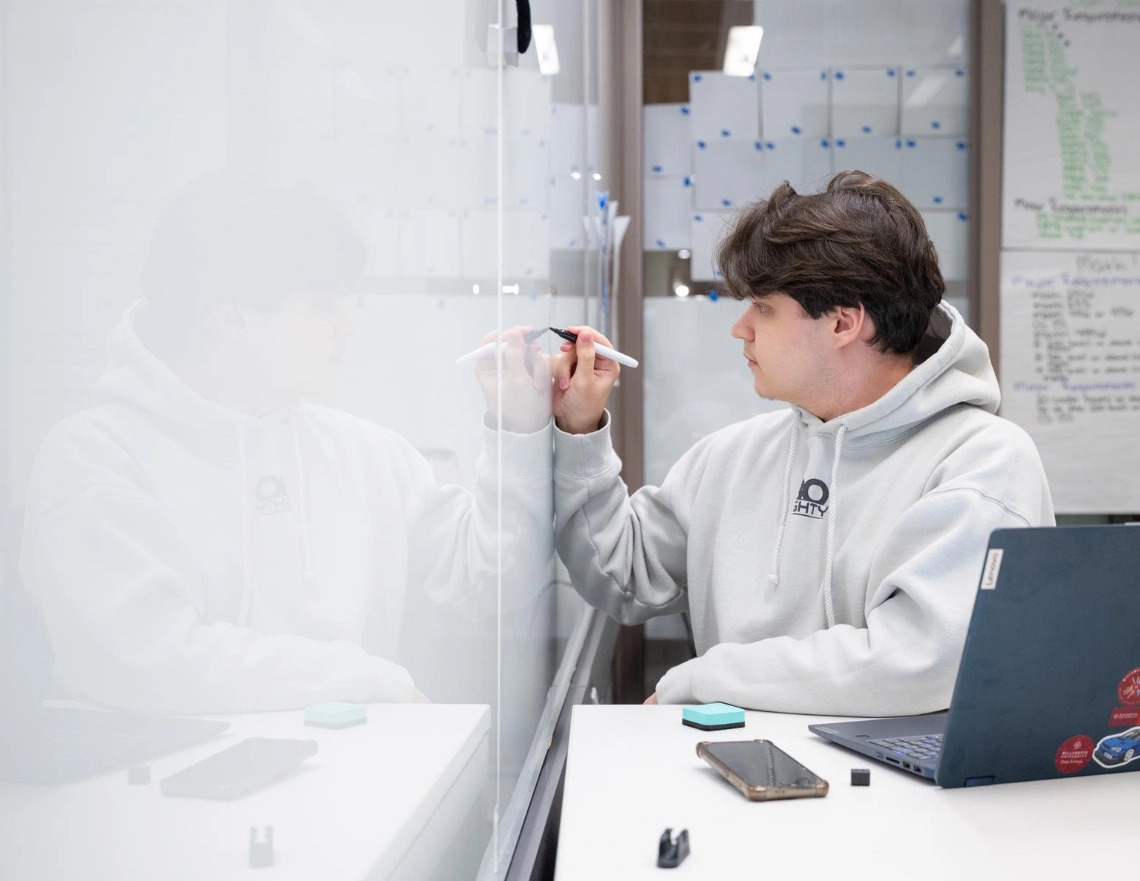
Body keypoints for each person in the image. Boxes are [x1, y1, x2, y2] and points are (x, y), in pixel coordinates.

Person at [18, 172, 550, 714]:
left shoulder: (360, 453)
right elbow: (151, 660)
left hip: (350, 788)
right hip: (157, 796)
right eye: (323, 304)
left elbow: (492, 578)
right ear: (232, 316)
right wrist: (363, 678)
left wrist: (520, 429)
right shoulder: (94, 458)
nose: (348, 328)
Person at [548, 171, 1054, 716]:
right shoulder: (733, 456)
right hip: (737, 784)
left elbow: (922, 661)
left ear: (843, 323)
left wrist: (708, 678)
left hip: (905, 798)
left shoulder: (983, 461)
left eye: (763, 308)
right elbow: (620, 575)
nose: (740, 329)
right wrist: (580, 428)